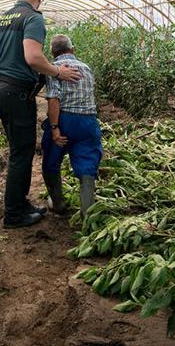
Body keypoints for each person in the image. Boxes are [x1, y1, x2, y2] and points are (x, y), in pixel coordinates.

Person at [0, 0, 81, 229]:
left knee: (19, 149)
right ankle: (14, 215)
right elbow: (33, 57)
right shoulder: (33, 18)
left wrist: (3, 83)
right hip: (16, 94)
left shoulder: (1, 19)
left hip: (0, 90)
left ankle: (20, 202)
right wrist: (58, 72)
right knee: (21, 153)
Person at [40, 34, 102, 218]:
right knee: (87, 163)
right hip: (88, 121)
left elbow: (53, 99)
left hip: (65, 120)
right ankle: (87, 212)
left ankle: (58, 203)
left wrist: (54, 128)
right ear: (72, 49)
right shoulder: (86, 68)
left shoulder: (55, 69)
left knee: (51, 161)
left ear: (52, 52)